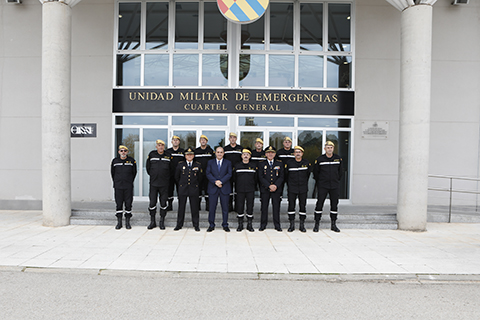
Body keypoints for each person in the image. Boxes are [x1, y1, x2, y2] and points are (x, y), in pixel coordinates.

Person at [313, 141, 342, 233]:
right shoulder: (320, 159)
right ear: (325, 149)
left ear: (333, 148)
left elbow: (340, 173)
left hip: (334, 185)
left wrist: (336, 180)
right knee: (319, 204)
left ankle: (333, 224)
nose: (329, 149)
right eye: (328, 147)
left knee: (334, 204)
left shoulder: (338, 159)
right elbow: (316, 173)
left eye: (331, 147)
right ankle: (316, 224)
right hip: (323, 186)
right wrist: (321, 182)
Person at [146, 139, 172, 230]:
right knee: (152, 203)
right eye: (159, 145)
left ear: (164, 147)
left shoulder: (168, 155)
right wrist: (154, 175)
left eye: (162, 145)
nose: (160, 147)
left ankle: (162, 221)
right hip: (153, 184)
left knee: (163, 203)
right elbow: (148, 168)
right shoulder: (152, 154)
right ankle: (152, 221)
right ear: (156, 146)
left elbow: (171, 169)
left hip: (164, 184)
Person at [174, 147, 202, 232]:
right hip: (183, 188)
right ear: (185, 156)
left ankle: (196, 225)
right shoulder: (180, 164)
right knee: (181, 208)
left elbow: (200, 178)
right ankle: (179, 225)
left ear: (193, 156)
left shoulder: (198, 165)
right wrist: (181, 185)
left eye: (191, 154)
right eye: (187, 155)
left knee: (195, 208)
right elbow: (176, 177)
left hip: (194, 189)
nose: (189, 156)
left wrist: (195, 185)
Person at [206, 146, 232, 232]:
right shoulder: (210, 162)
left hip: (224, 187)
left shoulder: (228, 162)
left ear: (224, 153)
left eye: (221, 152)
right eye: (218, 152)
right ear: (215, 153)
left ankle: (225, 224)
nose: (219, 154)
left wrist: (221, 182)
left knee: (225, 208)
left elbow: (229, 174)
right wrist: (215, 182)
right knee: (212, 208)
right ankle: (211, 224)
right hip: (213, 187)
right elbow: (208, 173)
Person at [285, 146, 311, 232]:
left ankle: (301, 225)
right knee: (291, 206)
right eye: (296, 152)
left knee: (302, 206)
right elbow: (286, 176)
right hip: (292, 188)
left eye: (299, 152)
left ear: (302, 153)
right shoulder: (289, 163)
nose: (298, 153)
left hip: (303, 188)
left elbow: (308, 175)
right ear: (294, 154)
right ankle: (291, 224)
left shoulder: (306, 162)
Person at [110, 145, 137, 230]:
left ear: (127, 152)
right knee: (119, 204)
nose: (123, 152)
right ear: (118, 152)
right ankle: (119, 222)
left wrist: (129, 181)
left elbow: (134, 173)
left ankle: (128, 222)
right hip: (118, 186)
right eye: (121, 151)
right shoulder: (115, 161)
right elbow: (112, 173)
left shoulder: (131, 161)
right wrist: (116, 182)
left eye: (125, 151)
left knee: (128, 204)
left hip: (128, 186)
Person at [258, 146, 284, 232]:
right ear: (265, 154)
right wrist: (269, 186)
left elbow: (282, 176)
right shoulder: (261, 163)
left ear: (275, 154)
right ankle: (263, 224)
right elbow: (260, 177)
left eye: (272, 152)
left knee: (276, 207)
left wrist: (275, 185)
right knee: (264, 207)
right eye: (268, 153)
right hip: (265, 189)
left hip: (276, 189)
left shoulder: (279, 163)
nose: (270, 154)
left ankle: (277, 225)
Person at [233, 149, 257, 232]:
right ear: (241, 156)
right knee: (240, 207)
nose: (246, 156)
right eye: (244, 154)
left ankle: (249, 224)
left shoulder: (253, 166)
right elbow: (234, 178)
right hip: (240, 190)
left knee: (250, 207)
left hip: (250, 190)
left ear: (250, 156)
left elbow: (256, 178)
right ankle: (240, 224)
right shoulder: (237, 166)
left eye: (247, 154)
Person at [223, 132, 243, 212]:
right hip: (228, 172)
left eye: (234, 137)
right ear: (229, 139)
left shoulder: (240, 148)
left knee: (238, 189)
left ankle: (238, 207)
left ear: (236, 139)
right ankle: (229, 206)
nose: (232, 139)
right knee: (229, 189)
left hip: (238, 172)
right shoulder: (225, 149)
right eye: (231, 137)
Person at [194, 135, 214, 211]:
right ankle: (197, 206)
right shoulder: (196, 151)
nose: (203, 141)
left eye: (204, 140)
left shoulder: (210, 151)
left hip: (208, 174)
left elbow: (213, 162)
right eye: (202, 140)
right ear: (199, 141)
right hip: (198, 174)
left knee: (207, 190)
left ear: (206, 142)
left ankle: (208, 206)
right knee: (197, 190)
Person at [167, 135, 184, 211]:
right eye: (174, 140)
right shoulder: (168, 152)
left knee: (180, 191)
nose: (175, 141)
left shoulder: (182, 151)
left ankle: (181, 206)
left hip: (180, 175)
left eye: (177, 140)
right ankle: (169, 205)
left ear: (179, 142)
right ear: (171, 142)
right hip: (170, 174)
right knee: (169, 190)